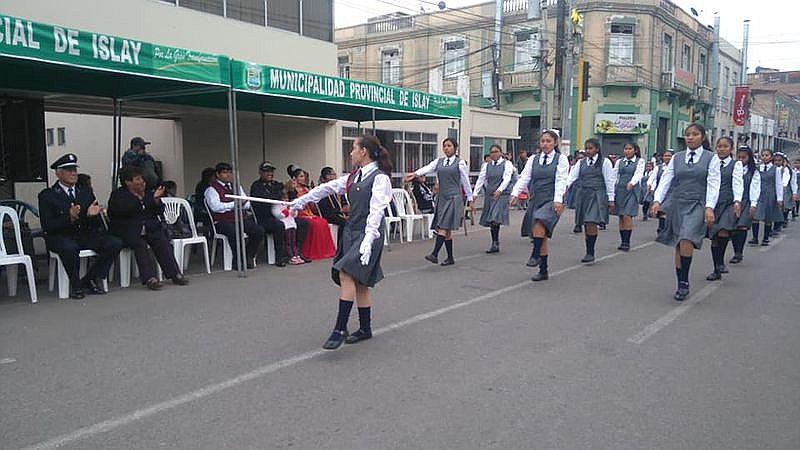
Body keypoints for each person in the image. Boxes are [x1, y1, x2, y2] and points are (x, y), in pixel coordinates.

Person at [291, 134, 393, 350]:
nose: (351, 152)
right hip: (351, 231)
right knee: (360, 283)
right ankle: (365, 329)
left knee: (346, 274)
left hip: (368, 233)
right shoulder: (353, 177)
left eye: (354, 148)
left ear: (363, 151)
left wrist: (368, 241)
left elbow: (376, 211)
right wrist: (301, 200)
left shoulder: (380, 178)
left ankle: (339, 328)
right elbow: (326, 189)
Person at [650, 123, 720, 301]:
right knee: (678, 243)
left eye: (695, 134)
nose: (690, 137)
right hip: (677, 203)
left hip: (697, 204)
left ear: (702, 137)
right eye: (688, 134)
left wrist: (710, 206)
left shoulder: (711, 158)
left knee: (687, 238)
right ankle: (681, 281)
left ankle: (684, 282)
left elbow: (713, 183)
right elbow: (666, 179)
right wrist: (657, 200)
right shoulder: (677, 157)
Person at [38, 154, 122, 299]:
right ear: (58, 173)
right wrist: (69, 217)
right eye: (68, 170)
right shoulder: (48, 195)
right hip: (60, 236)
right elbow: (48, 226)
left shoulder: (85, 192)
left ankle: (89, 279)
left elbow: (95, 225)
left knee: (114, 243)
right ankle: (76, 285)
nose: (73, 173)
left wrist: (91, 216)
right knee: (70, 248)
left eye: (74, 170)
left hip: (83, 234)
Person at [108, 166, 188, 290]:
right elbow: (123, 211)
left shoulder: (149, 193)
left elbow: (160, 210)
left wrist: (155, 200)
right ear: (128, 182)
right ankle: (150, 278)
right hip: (129, 231)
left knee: (162, 241)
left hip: (150, 229)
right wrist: (141, 199)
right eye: (138, 179)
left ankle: (174, 274)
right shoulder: (118, 195)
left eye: (142, 178)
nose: (142, 182)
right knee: (140, 245)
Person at [510, 130, 569, 281]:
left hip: (551, 200)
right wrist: (515, 193)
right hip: (536, 199)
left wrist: (558, 200)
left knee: (539, 223)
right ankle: (543, 270)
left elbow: (561, 180)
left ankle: (535, 254)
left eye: (549, 141)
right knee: (540, 235)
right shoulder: (533, 159)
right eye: (543, 141)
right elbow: (525, 177)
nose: (545, 144)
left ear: (555, 143)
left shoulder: (561, 159)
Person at [404, 137, 473, 266]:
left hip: (453, 198)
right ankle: (450, 258)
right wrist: (415, 174)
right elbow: (428, 168)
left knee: (442, 226)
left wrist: (470, 198)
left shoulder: (460, 163)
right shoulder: (439, 162)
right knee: (447, 231)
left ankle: (434, 254)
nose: (446, 148)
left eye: (449, 146)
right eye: (444, 146)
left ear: (455, 148)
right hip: (442, 198)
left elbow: (465, 181)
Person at [204, 162, 265, 269]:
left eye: (229, 172)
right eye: (224, 172)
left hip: (240, 218)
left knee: (258, 230)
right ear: (217, 174)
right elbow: (216, 207)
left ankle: (247, 256)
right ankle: (237, 260)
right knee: (234, 232)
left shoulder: (237, 187)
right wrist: (235, 204)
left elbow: (247, 204)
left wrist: (244, 203)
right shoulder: (211, 189)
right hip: (223, 220)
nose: (228, 175)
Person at [564, 138, 616, 263]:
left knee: (591, 221)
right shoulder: (581, 163)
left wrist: (611, 198)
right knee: (586, 223)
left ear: (597, 149)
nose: (588, 151)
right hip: (583, 194)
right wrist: (564, 189)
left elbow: (609, 181)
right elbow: (571, 177)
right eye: (586, 148)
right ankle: (588, 249)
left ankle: (590, 252)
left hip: (597, 195)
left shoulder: (605, 162)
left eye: (590, 148)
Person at [705, 137, 745, 281]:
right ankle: (717, 267)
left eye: (725, 146)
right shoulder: (711, 162)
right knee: (714, 235)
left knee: (723, 231)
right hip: (713, 203)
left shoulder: (736, 164)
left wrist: (737, 201)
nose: (722, 149)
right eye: (719, 146)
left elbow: (738, 182)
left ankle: (719, 262)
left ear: (731, 149)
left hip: (728, 202)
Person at [471, 144, 515, 253]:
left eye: (496, 151)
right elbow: (481, 179)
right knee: (490, 219)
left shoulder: (507, 164)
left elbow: (507, 178)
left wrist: (500, 190)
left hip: (502, 194)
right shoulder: (486, 165)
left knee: (495, 216)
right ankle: (495, 241)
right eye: (492, 152)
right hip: (490, 194)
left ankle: (495, 243)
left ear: (500, 153)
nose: (494, 154)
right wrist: (474, 194)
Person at [288, 165, 336, 260]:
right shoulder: (292, 189)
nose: (304, 178)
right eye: (301, 176)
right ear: (295, 178)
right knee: (315, 224)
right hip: (299, 213)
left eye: (304, 176)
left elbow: (312, 206)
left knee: (323, 222)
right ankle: (309, 252)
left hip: (309, 212)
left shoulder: (306, 189)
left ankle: (324, 252)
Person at [249, 162, 288, 267]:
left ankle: (292, 253)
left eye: (271, 171)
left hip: (277, 215)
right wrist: (280, 193)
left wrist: (289, 190)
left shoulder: (276, 184)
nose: (270, 173)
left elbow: (286, 195)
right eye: (267, 171)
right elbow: (267, 199)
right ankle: (279, 258)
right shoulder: (256, 186)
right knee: (279, 226)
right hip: (263, 217)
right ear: (260, 172)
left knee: (300, 223)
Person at [728, 146, 760, 264]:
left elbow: (755, 188)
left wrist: (753, 203)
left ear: (749, 158)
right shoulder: (733, 168)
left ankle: (738, 253)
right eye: (739, 157)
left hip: (747, 200)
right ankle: (736, 249)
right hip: (734, 200)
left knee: (742, 226)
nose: (741, 160)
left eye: (744, 157)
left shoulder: (753, 171)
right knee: (734, 228)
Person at [613, 143, 646, 251]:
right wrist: (612, 188)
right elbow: (615, 174)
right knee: (621, 215)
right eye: (625, 149)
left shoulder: (640, 161)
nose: (627, 151)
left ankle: (627, 242)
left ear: (635, 150)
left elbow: (639, 173)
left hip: (632, 190)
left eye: (630, 149)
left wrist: (632, 182)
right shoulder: (619, 161)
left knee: (627, 214)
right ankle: (622, 241)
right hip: (620, 190)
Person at [750, 149, 784, 246]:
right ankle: (755, 238)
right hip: (759, 194)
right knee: (755, 216)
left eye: (767, 155)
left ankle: (765, 238)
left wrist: (779, 198)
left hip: (770, 195)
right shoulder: (757, 168)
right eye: (763, 155)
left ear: (771, 157)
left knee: (768, 218)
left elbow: (778, 184)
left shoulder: (775, 169)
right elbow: (754, 182)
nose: (765, 157)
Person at [272, 189, 304, 265]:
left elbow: (294, 215)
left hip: (292, 225)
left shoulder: (289, 205)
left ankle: (296, 255)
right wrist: (285, 211)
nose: (286, 200)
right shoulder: (277, 205)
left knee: (294, 241)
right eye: (284, 198)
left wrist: (293, 209)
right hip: (285, 225)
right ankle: (290, 256)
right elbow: (278, 215)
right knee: (288, 242)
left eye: (287, 198)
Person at [316, 167, 350, 232]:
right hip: (330, 216)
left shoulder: (338, 189)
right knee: (347, 223)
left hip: (340, 215)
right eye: (334, 174)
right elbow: (325, 211)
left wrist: (347, 209)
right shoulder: (322, 190)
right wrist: (341, 211)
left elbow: (344, 203)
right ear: (327, 176)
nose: (336, 176)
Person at [649, 150, 674, 233]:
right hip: (660, 191)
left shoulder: (675, 167)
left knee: (667, 210)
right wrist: (650, 186)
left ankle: (665, 228)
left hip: (671, 193)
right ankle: (661, 227)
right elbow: (653, 177)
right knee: (660, 209)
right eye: (665, 156)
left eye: (669, 156)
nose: (667, 158)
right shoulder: (658, 167)